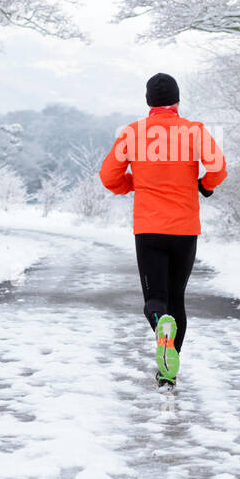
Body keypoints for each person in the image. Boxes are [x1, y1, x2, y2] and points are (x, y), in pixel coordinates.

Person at [99, 73, 227, 391]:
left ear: (148, 103)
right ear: (177, 101)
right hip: (184, 230)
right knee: (177, 300)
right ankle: (167, 374)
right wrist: (203, 186)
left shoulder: (132, 133)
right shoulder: (194, 131)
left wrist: (131, 183)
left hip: (149, 229)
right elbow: (218, 169)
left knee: (156, 299)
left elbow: (108, 177)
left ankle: (160, 328)